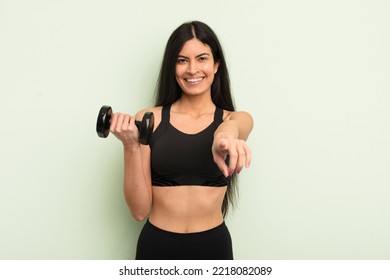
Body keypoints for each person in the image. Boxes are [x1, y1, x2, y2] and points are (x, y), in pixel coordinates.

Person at [109, 21, 253, 260]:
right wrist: (130, 145)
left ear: (217, 65)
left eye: (202, 58)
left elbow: (234, 127)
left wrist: (224, 138)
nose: (192, 69)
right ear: (172, 67)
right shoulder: (149, 119)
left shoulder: (234, 119)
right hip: (157, 245)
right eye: (182, 60)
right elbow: (138, 211)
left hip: (213, 246)